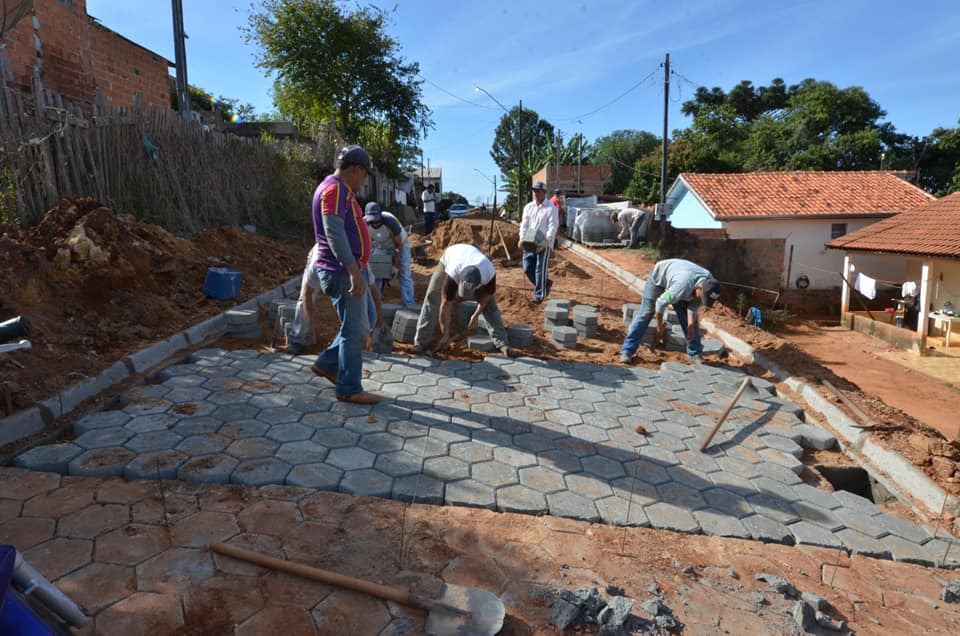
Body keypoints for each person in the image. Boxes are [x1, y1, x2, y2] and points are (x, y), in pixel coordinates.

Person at [309, 145, 379, 404]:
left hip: (347, 268)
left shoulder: (336, 189)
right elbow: (334, 232)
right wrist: (353, 270)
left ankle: (327, 363)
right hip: (341, 271)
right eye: (364, 174)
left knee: (367, 317)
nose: (364, 181)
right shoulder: (335, 190)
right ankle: (349, 387)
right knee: (354, 331)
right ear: (355, 169)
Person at [412, 243, 517, 357]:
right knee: (432, 297)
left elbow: (487, 296)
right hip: (451, 256)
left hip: (472, 259)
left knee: (491, 306)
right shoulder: (452, 275)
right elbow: (445, 305)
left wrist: (476, 315)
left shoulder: (489, 272)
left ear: (479, 284)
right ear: (459, 281)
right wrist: (445, 334)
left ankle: (502, 343)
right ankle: (420, 342)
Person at [620, 258, 722, 364]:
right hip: (659, 277)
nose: (700, 301)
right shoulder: (682, 286)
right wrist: (659, 328)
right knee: (646, 313)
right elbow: (660, 303)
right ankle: (627, 351)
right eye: (701, 298)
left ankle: (695, 355)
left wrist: (691, 325)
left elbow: (693, 307)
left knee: (692, 324)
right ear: (699, 288)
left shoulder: (710, 285)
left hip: (679, 280)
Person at [364, 202, 415, 307]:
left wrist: (395, 266)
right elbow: (365, 244)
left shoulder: (390, 222)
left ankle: (409, 305)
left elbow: (398, 246)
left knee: (404, 273)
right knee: (376, 272)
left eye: (377, 220)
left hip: (400, 245)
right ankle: (376, 305)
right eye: (372, 220)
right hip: (381, 245)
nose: (375, 223)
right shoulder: (363, 224)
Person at [518, 181, 559, 303]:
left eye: (538, 191)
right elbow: (524, 225)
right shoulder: (528, 207)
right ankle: (545, 283)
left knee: (540, 268)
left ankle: (539, 295)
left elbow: (553, 225)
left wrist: (546, 241)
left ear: (544, 193)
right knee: (527, 267)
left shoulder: (551, 208)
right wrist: (521, 238)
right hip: (529, 241)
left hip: (543, 243)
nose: (535, 193)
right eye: (534, 191)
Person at [286, 244, 321, 355]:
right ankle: (298, 338)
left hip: (344, 257)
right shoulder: (317, 262)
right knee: (306, 296)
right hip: (321, 257)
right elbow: (307, 295)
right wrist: (312, 324)